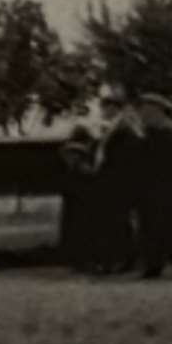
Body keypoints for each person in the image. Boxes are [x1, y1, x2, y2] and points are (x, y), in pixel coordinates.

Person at [134, 95, 172, 278]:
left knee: (171, 226)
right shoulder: (148, 136)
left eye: (148, 112)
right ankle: (153, 264)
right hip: (150, 190)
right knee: (151, 227)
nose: (144, 116)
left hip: (168, 189)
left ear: (159, 113)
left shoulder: (170, 136)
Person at [92, 93, 144, 274]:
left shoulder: (123, 129)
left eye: (107, 107)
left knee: (119, 220)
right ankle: (116, 258)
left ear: (115, 107)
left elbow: (124, 158)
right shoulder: (113, 128)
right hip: (112, 181)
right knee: (114, 221)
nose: (104, 111)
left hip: (119, 182)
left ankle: (125, 258)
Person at [57, 126, 101, 272]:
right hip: (78, 203)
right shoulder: (81, 168)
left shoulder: (80, 169)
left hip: (78, 204)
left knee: (79, 231)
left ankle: (81, 260)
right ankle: (81, 260)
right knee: (80, 231)